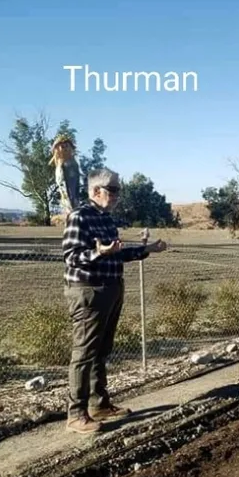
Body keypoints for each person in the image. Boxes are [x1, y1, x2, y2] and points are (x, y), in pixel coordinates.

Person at [62, 167, 167, 434]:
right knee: (84, 353)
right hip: (89, 291)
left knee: (101, 350)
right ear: (96, 191)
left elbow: (116, 255)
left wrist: (147, 250)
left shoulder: (107, 219)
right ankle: (76, 414)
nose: (118, 195)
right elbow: (72, 256)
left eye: (119, 190)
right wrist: (97, 253)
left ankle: (99, 404)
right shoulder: (79, 217)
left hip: (111, 288)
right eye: (114, 190)